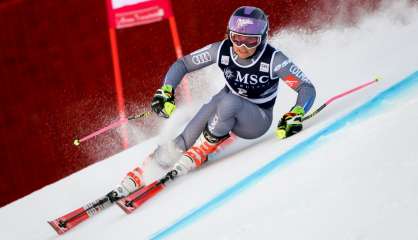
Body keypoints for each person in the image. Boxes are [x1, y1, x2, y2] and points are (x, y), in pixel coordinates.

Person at [119, 6, 316, 195]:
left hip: (257, 119)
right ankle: (150, 167)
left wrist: (296, 113)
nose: (242, 46)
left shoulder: (273, 59)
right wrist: (166, 90)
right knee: (189, 133)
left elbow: (305, 87)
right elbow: (183, 64)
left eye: (250, 41)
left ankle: (203, 148)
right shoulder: (221, 50)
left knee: (229, 102)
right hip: (226, 101)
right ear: (229, 35)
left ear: (263, 39)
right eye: (237, 38)